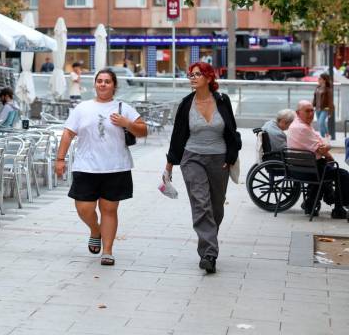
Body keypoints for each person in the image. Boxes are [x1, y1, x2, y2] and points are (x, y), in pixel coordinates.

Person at [54, 69, 147, 267]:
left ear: (114, 85)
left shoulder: (124, 108)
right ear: (95, 84)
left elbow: (142, 130)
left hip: (116, 167)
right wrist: (60, 159)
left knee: (109, 209)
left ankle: (107, 251)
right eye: (99, 81)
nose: (103, 84)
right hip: (86, 166)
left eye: (107, 81)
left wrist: (127, 123)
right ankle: (95, 230)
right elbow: (68, 134)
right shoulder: (82, 107)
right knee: (84, 208)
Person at [166, 62, 239, 274]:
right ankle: (209, 253)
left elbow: (232, 131)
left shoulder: (222, 101)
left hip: (219, 160)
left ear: (209, 78)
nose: (192, 77)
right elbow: (177, 136)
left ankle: (208, 240)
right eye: (191, 74)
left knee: (216, 208)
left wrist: (231, 156)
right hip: (192, 158)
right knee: (201, 204)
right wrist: (169, 166)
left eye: (197, 74)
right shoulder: (186, 104)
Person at [287, 100, 348, 218]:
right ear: (298, 113)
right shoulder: (302, 128)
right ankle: (339, 207)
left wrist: (325, 150)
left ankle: (311, 203)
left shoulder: (297, 125)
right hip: (308, 171)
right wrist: (328, 146)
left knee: (328, 169)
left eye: (312, 111)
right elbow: (322, 149)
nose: (311, 114)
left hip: (299, 168)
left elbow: (320, 143)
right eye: (307, 111)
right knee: (343, 174)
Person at [313, 73, 334, 138]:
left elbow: (330, 101)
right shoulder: (317, 87)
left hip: (325, 109)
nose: (318, 80)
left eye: (320, 79)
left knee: (321, 123)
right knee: (321, 124)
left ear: (324, 80)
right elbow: (315, 98)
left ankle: (324, 138)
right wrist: (312, 106)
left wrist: (330, 111)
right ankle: (326, 138)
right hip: (317, 108)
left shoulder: (328, 89)